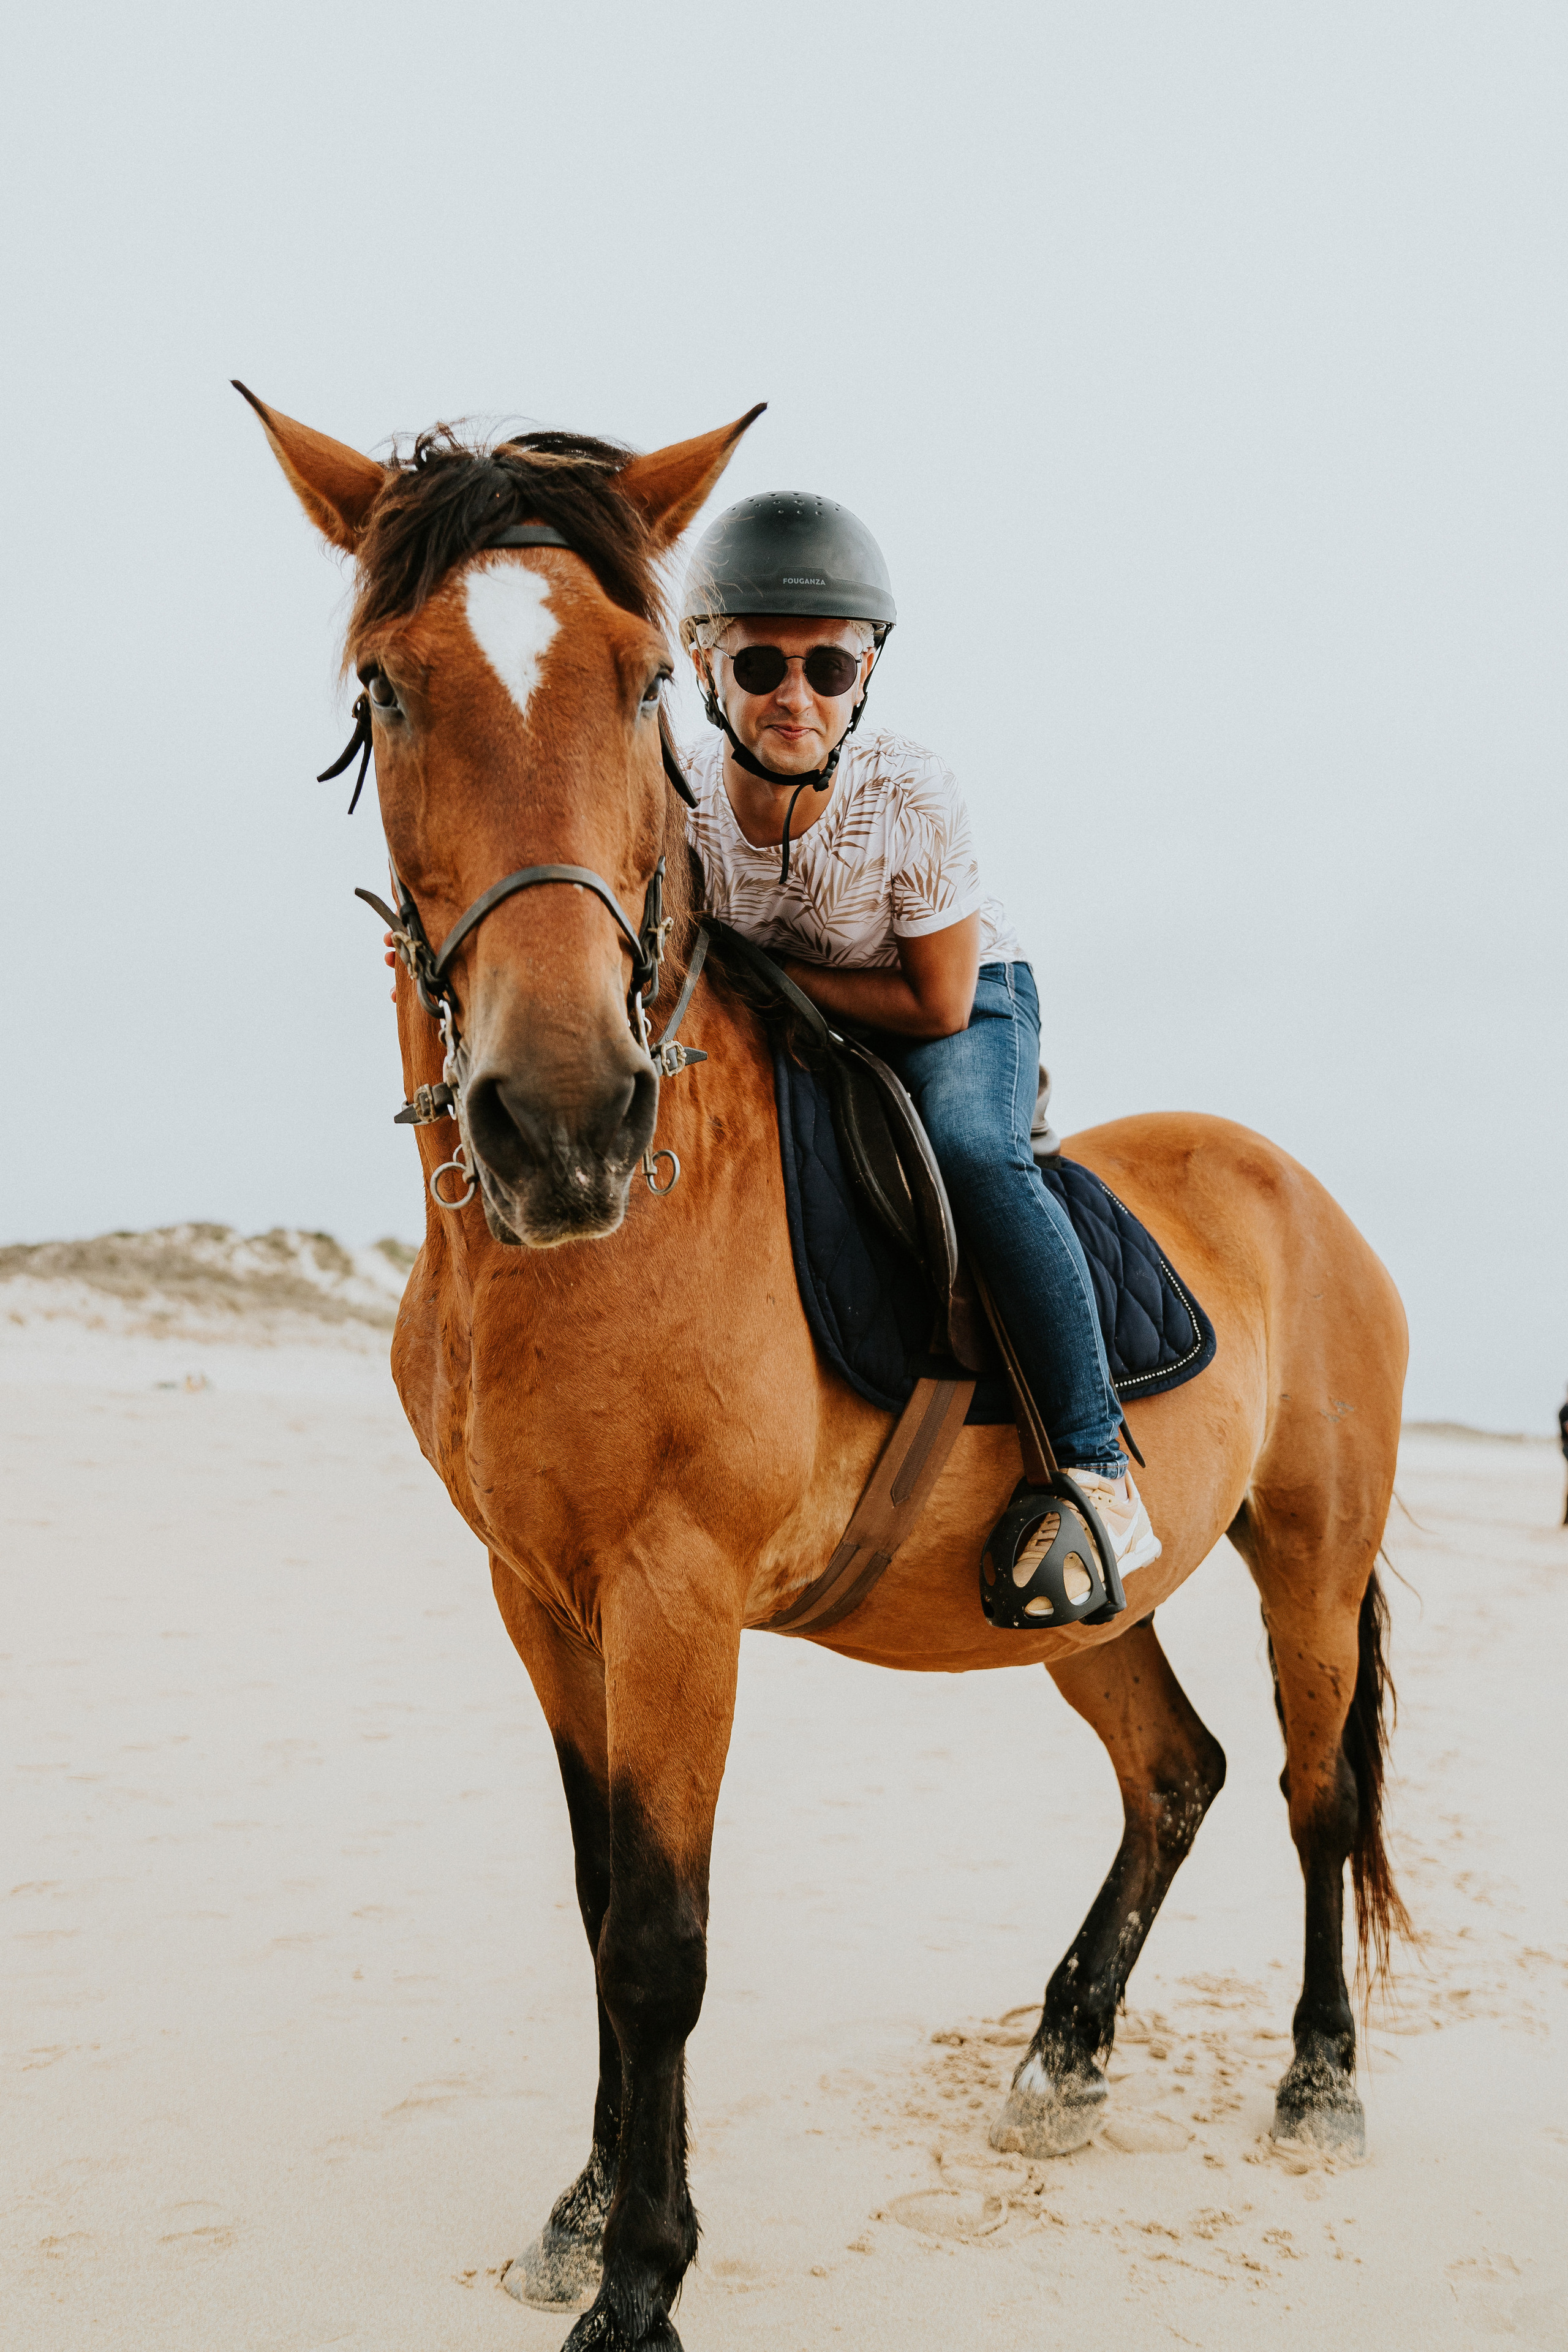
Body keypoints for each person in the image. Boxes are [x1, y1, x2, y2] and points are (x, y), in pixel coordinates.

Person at [679, 491, 1161, 1603]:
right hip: (781, 1005)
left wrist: (771, 978)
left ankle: (1098, 1467)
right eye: (761, 667)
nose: (795, 697)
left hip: (951, 996)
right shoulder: (677, 793)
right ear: (707, 665)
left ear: (866, 673)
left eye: (828, 670)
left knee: (974, 1153)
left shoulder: (910, 790)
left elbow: (936, 1004)